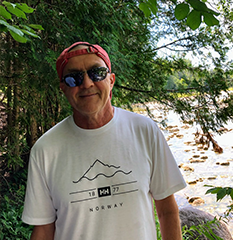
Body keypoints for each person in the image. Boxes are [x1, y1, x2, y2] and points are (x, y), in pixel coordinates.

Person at [22, 41, 186, 240]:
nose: (87, 83)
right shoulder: (45, 150)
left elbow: (166, 210)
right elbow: (44, 230)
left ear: (111, 80)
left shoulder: (145, 131)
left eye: (96, 72)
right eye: (74, 78)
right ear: (63, 88)